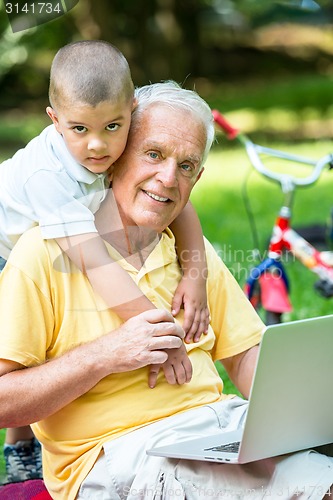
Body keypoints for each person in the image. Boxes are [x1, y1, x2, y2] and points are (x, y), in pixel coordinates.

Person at [0, 81, 333, 500]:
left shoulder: (189, 253)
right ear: (117, 155)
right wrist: (106, 354)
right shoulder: (41, 252)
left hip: (218, 428)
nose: (168, 178)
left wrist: (309, 411)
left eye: (187, 166)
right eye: (153, 154)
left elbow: (247, 354)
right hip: (118, 455)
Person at [0, 41, 209, 482]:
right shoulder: (48, 178)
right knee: (21, 346)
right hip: (3, 249)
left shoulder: (115, 143)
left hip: (50, 237)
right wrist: (162, 336)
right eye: (79, 130)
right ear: (54, 121)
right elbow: (95, 263)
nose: (97, 145)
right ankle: (20, 453)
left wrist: (196, 274)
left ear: (131, 111)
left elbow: (180, 203)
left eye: (113, 126)